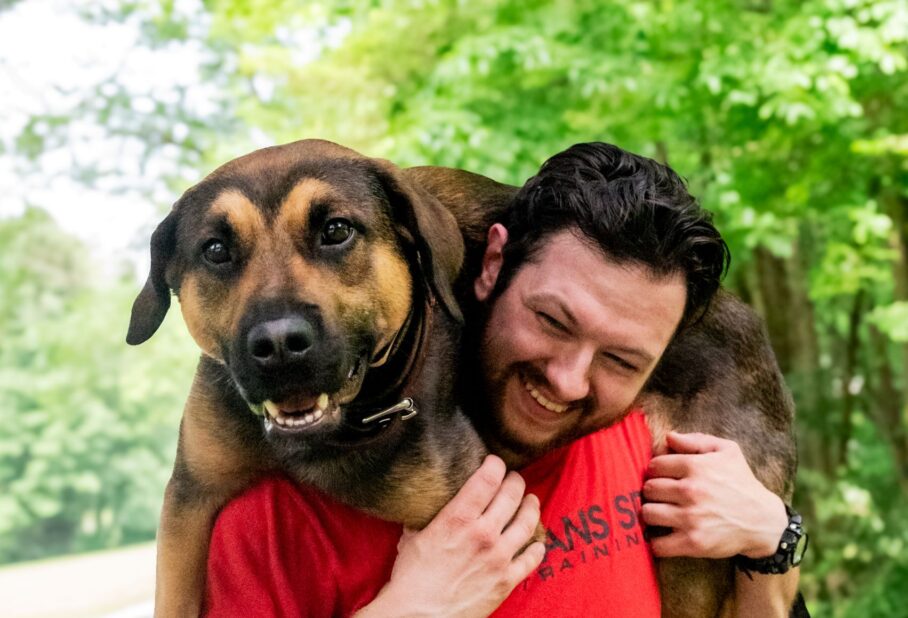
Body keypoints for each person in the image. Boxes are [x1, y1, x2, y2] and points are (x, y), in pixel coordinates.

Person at [203, 143, 800, 617]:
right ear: (491, 265)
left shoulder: (653, 461)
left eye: (621, 361)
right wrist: (414, 611)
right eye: (551, 321)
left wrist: (774, 536)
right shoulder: (274, 522)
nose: (568, 382)